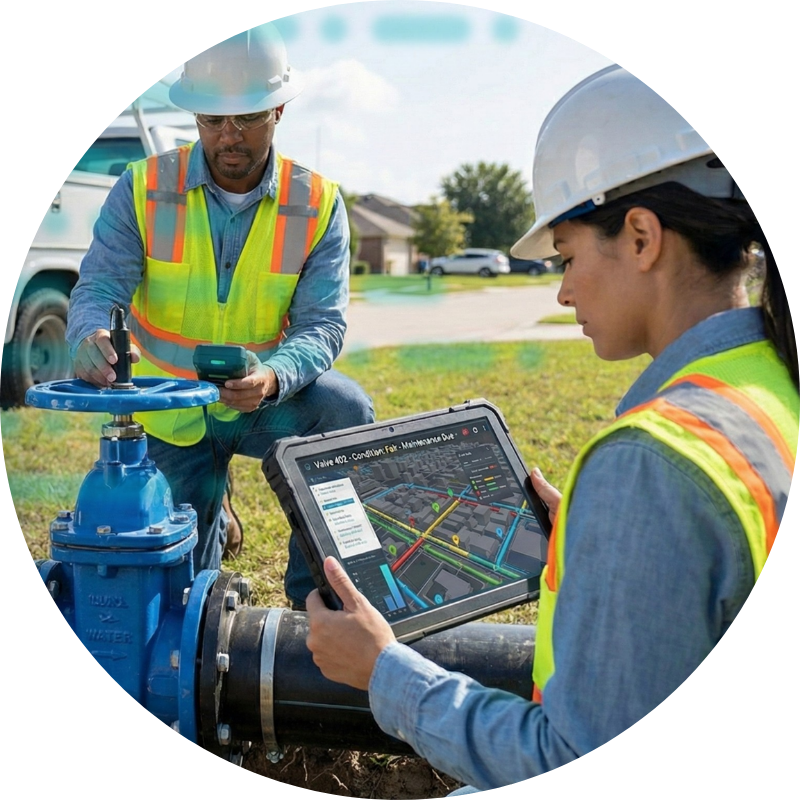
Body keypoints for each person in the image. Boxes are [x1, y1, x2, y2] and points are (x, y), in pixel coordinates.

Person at [305, 64, 798, 788]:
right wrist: (605, 544)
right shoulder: (771, 379)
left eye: (567, 257)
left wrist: (384, 672)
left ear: (640, 237)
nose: (563, 290)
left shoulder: (652, 463)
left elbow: (569, 753)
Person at [66, 24, 374, 609]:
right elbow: (99, 287)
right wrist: (89, 335)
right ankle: (215, 507)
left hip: (262, 404)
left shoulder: (317, 204)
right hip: (168, 408)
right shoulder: (141, 187)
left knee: (346, 410)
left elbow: (323, 325)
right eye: (212, 120)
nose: (228, 136)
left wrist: (275, 376)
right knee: (184, 593)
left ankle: (314, 606)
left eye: (248, 118)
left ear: (278, 108)